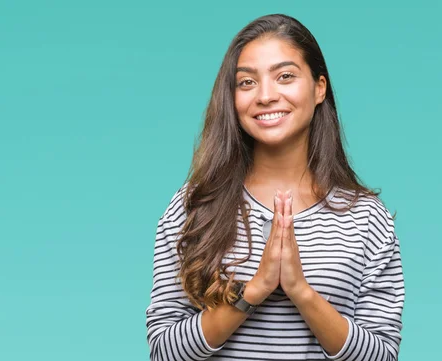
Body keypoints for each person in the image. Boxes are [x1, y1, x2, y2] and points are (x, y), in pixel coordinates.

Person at [145, 13, 405, 361]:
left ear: (319, 88)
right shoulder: (194, 206)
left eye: (285, 76)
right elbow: (164, 351)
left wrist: (301, 291)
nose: (266, 96)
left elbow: (383, 356)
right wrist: (253, 290)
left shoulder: (367, 219)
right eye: (247, 82)